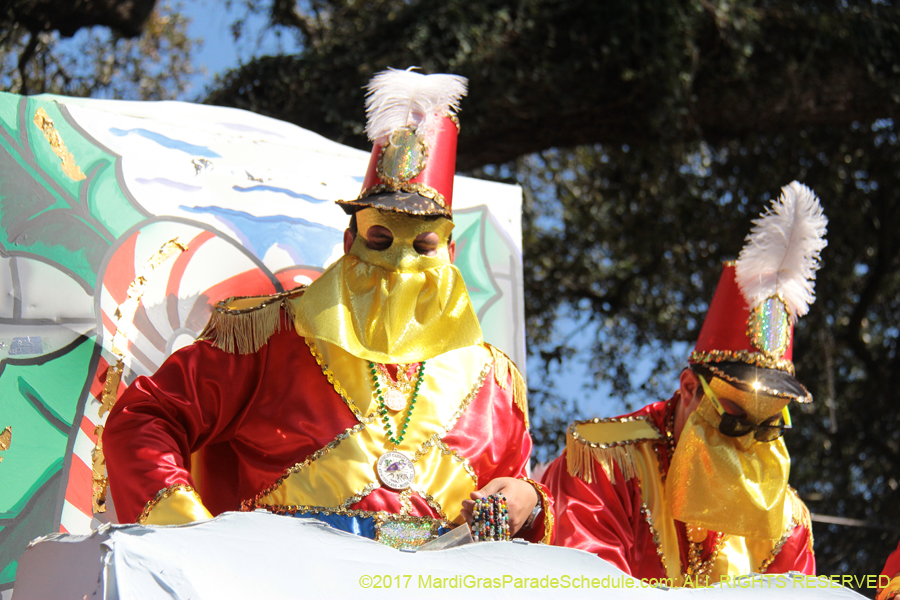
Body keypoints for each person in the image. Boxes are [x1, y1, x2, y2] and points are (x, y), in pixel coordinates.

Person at [104, 68, 552, 549]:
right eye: (380, 239)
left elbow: (511, 512)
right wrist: (190, 540)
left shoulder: (493, 382)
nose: (400, 264)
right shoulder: (269, 336)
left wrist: (529, 500)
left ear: (450, 253)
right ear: (349, 240)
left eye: (422, 245)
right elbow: (143, 420)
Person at [542, 182, 825, 585]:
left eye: (768, 427)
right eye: (734, 418)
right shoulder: (605, 461)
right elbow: (585, 586)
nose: (747, 442)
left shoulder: (786, 518)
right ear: (690, 388)